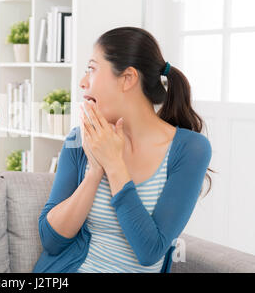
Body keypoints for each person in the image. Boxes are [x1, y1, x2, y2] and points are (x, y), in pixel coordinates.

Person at [33, 27, 213, 273]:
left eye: (92, 69)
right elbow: (51, 241)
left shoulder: (189, 149)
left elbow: (149, 251)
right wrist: (94, 172)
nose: (82, 82)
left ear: (128, 78)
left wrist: (114, 165)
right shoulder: (80, 140)